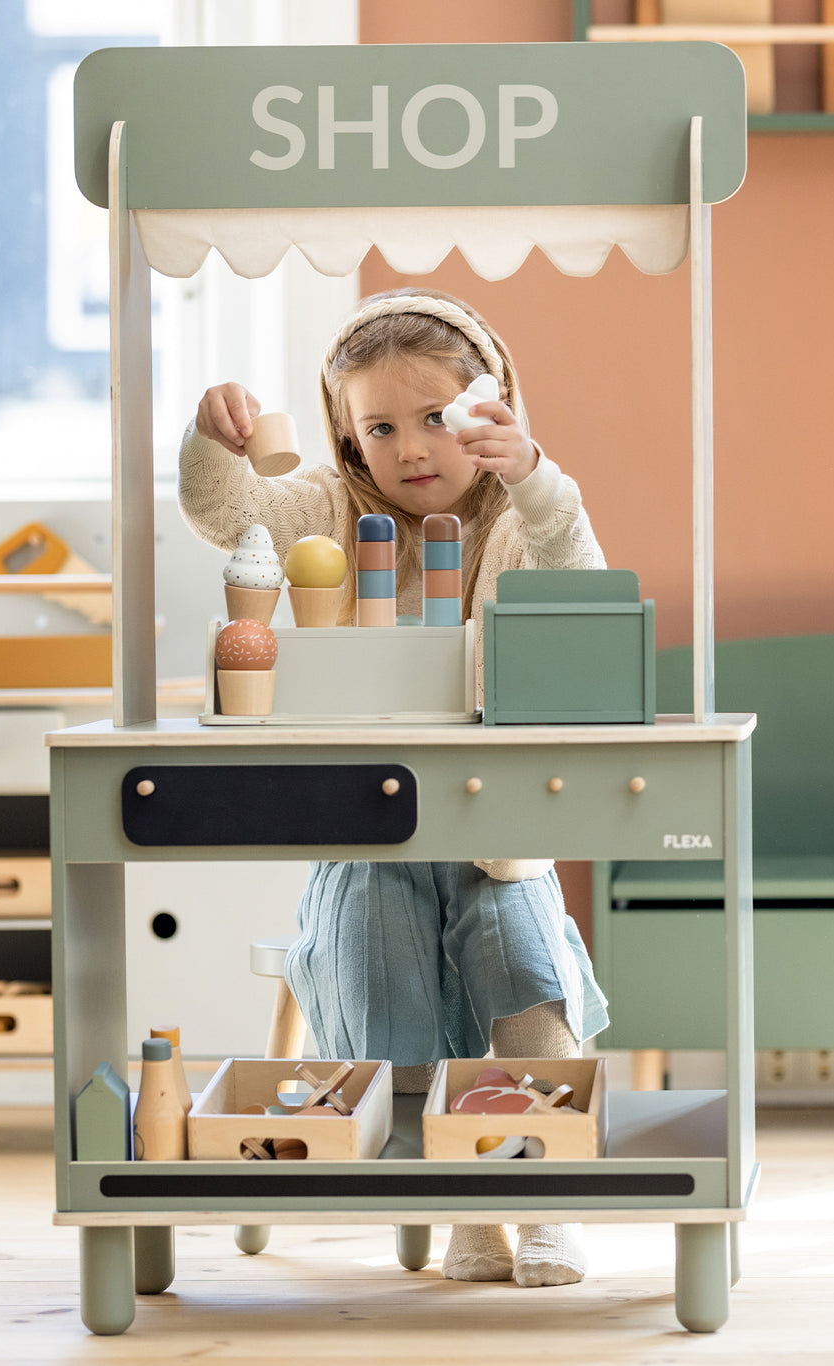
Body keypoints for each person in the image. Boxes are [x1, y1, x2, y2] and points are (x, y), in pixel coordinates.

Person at [179, 287, 610, 1287]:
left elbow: (576, 574)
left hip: (492, 825)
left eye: (436, 418)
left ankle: (540, 1190)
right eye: (380, 426)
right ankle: (456, 1197)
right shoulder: (332, 508)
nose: (412, 447)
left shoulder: (514, 516)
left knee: (520, 954)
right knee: (383, 957)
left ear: (489, 415)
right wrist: (212, 441)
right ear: (347, 435)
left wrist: (537, 476)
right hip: (368, 823)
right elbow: (224, 509)